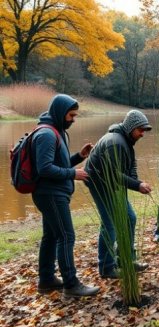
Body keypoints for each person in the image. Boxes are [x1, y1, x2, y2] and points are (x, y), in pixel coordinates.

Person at [32, 94, 100, 298]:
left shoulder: (56, 131)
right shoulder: (46, 134)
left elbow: (58, 165)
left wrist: (79, 156)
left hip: (51, 193)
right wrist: (73, 174)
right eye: (71, 115)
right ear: (61, 113)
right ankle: (71, 284)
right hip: (51, 194)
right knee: (66, 236)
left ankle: (46, 280)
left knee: (51, 235)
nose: (73, 119)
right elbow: (44, 169)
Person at [85, 110, 153, 279]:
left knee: (129, 217)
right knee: (110, 223)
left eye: (144, 130)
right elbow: (113, 174)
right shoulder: (115, 142)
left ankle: (126, 259)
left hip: (112, 183)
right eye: (140, 130)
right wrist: (138, 185)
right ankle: (106, 267)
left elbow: (130, 167)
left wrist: (136, 180)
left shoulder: (126, 141)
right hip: (100, 183)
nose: (142, 134)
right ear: (130, 127)